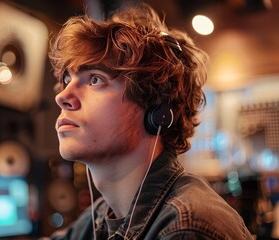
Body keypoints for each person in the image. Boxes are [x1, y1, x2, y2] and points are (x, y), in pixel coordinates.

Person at [47, 2, 253, 240]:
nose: (62, 97)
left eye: (94, 79)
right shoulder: (102, 215)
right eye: (66, 79)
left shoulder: (185, 227)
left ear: (157, 109)